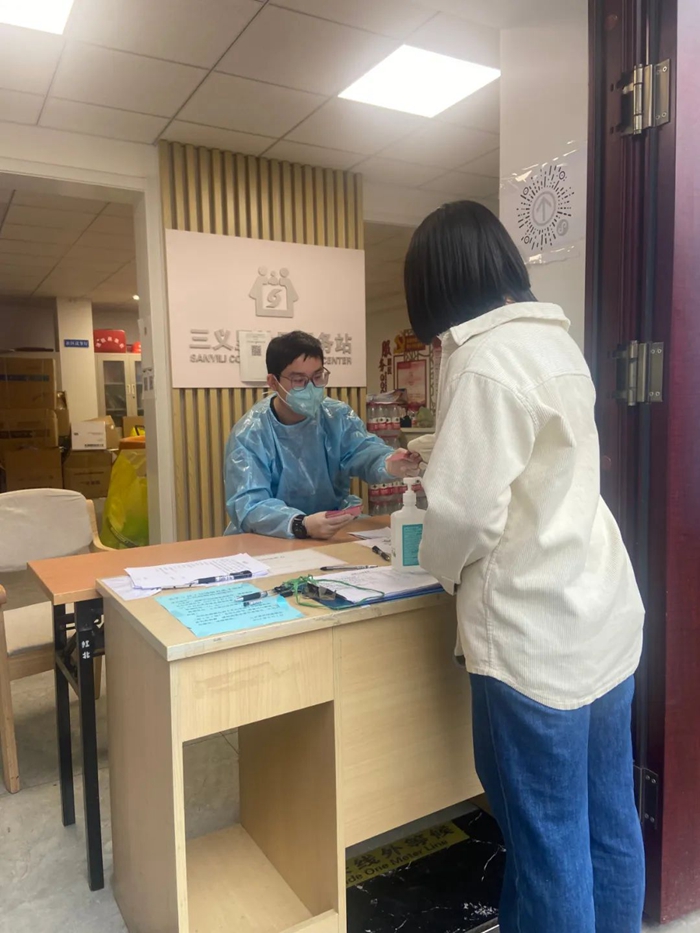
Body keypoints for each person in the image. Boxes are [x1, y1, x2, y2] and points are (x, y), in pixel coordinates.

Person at [404, 201, 645, 933]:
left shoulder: (479, 358)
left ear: (437, 285)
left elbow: (463, 516)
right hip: (601, 614)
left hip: (533, 637)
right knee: (609, 817)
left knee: (547, 842)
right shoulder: (555, 341)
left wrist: (438, 570)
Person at [224, 331, 420, 539]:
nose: (311, 388)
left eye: (317, 377)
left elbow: (363, 450)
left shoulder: (336, 416)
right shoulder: (251, 433)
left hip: (331, 529)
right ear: (273, 382)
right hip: (270, 537)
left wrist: (389, 463)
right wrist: (300, 524)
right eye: (299, 380)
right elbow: (249, 505)